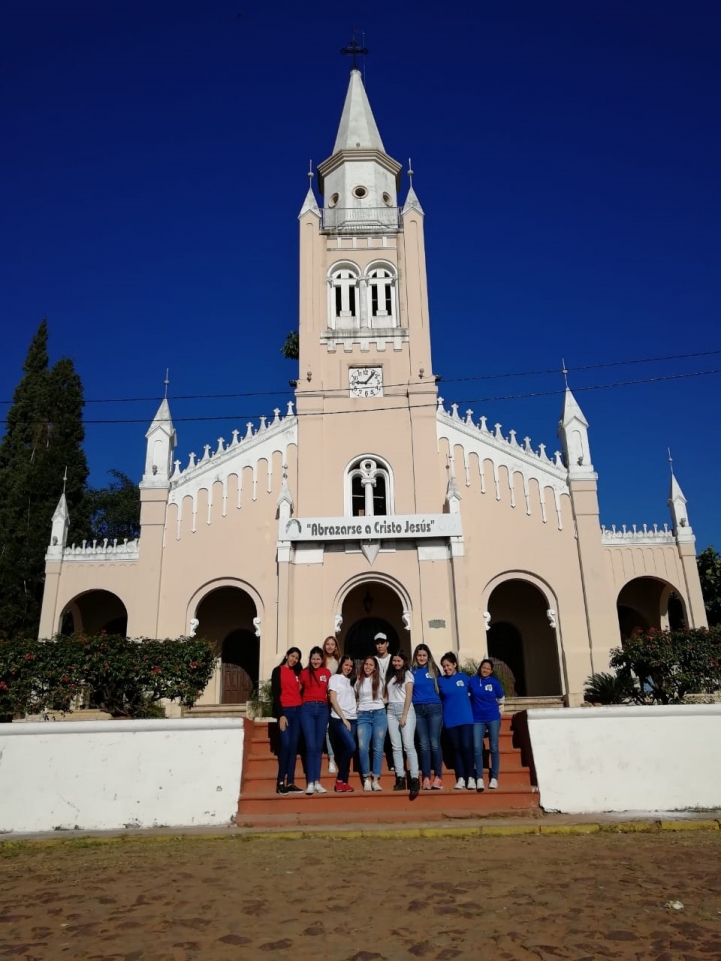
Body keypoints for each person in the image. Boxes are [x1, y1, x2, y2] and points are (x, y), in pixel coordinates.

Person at [437, 652, 476, 790]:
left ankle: (471, 777)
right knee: (457, 748)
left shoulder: (464, 678)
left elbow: (473, 695)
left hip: (465, 718)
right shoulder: (440, 681)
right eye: (443, 666)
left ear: (454, 665)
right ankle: (460, 778)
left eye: (448, 665)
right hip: (450, 719)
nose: (446, 668)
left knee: (466, 746)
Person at [385, 651, 420, 799]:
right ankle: (400, 777)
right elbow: (387, 696)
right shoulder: (390, 676)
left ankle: (414, 778)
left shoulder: (408, 675)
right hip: (391, 710)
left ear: (404, 662)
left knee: (408, 745)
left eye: (399, 661)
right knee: (396, 746)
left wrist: (404, 715)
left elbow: (409, 695)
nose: (396, 663)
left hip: (405, 710)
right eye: (394, 661)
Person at [270, 647, 304, 794]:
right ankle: (280, 782)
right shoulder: (278, 671)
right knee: (285, 744)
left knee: (293, 747)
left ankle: (290, 782)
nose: (294, 659)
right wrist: (281, 715)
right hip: (285, 712)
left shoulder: (297, 672)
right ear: (287, 655)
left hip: (298, 711)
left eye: (296, 658)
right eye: (292, 656)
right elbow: (276, 694)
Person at [299, 646, 331, 795]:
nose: (316, 661)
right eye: (313, 659)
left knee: (318, 747)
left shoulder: (327, 673)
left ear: (322, 659)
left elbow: (330, 692)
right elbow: (297, 691)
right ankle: (310, 782)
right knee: (310, 746)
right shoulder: (304, 673)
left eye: (318, 659)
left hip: (323, 709)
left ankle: (317, 782)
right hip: (307, 709)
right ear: (310, 659)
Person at [411, 644, 444, 790]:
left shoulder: (434, 670)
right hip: (417, 709)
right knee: (423, 744)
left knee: (434, 742)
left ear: (428, 656)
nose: (421, 658)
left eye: (424, 655)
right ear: (415, 657)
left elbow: (443, 688)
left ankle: (438, 777)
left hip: (434, 708)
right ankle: (425, 777)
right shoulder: (411, 671)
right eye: (419, 655)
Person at [469, 658, 505, 791]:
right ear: (480, 668)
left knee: (494, 747)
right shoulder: (472, 681)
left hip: (493, 718)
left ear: (491, 671)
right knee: (477, 747)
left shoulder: (495, 683)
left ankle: (494, 778)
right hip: (477, 719)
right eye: (483, 667)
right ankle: (479, 778)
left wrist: (496, 710)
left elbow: (501, 699)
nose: (485, 670)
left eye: (488, 669)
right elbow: (468, 696)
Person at [355, 655, 387, 791]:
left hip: (379, 714)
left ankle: (375, 779)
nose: (368, 667)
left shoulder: (380, 679)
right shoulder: (358, 681)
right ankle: (366, 778)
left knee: (378, 747)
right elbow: (356, 697)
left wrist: (380, 705)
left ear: (375, 668)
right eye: (366, 664)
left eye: (371, 665)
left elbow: (386, 696)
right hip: (363, 715)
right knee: (363, 747)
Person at [327, 655, 357, 793]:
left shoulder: (351, 682)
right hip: (339, 719)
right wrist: (343, 719)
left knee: (347, 749)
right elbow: (333, 699)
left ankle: (344, 782)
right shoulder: (334, 679)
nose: (348, 668)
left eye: (351, 666)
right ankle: (340, 780)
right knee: (351, 747)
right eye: (346, 665)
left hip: (353, 718)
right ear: (341, 665)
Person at [322, 635, 342, 775]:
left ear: (336, 647)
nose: (330, 646)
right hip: (322, 700)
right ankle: (331, 757)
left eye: (332, 644)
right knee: (327, 729)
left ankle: (337, 755)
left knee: (335, 728)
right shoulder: (320, 660)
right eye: (327, 644)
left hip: (336, 700)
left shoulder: (338, 662)